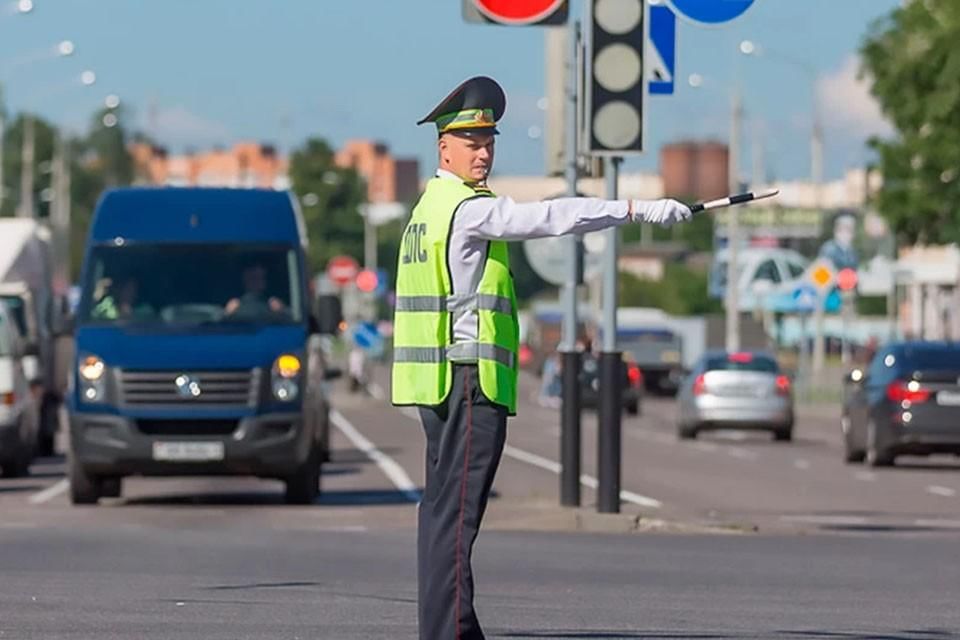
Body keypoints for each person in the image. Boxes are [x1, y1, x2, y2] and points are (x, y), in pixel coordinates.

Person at [390, 76, 692, 640]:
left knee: (441, 517)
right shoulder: (465, 210)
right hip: (467, 382)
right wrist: (636, 209)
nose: (483, 153)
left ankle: (454, 629)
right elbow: (551, 218)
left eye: (489, 142)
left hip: (437, 385)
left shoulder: (425, 210)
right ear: (444, 148)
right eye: (471, 143)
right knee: (456, 522)